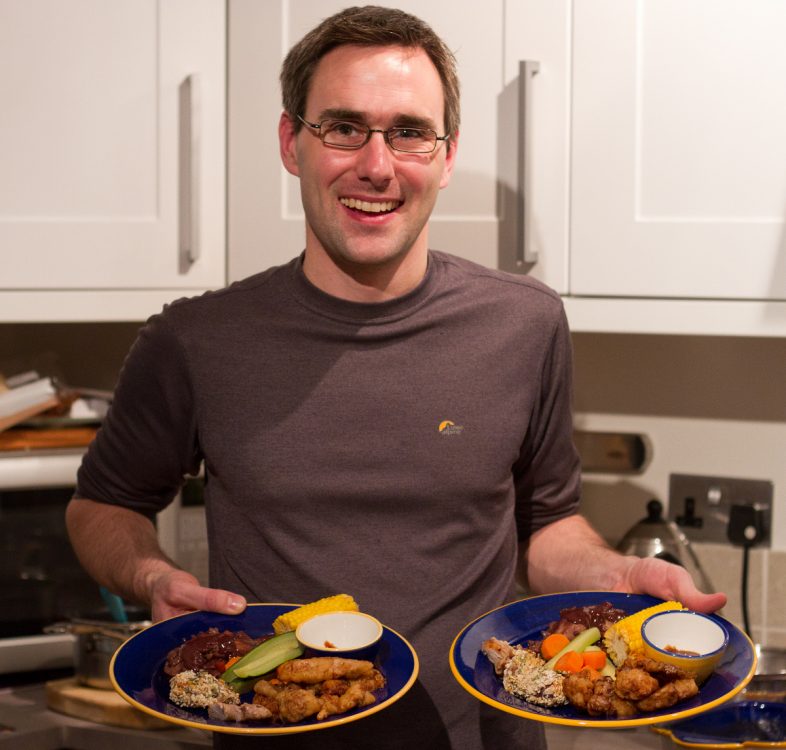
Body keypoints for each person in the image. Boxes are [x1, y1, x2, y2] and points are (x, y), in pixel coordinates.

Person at [66, 6, 726, 749]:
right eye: (343, 128)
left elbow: (545, 527)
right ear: (291, 143)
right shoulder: (196, 340)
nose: (377, 165)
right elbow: (102, 507)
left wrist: (616, 578)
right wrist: (152, 576)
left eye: (410, 131)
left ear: (446, 156)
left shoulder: (525, 323)